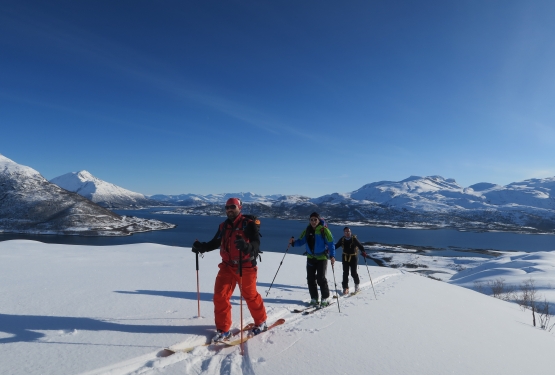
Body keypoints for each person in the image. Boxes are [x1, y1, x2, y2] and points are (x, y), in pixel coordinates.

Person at [192, 198, 267, 343]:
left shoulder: (248, 224)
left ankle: (261, 322)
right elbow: (216, 242)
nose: (229, 210)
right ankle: (223, 330)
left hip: (245, 266)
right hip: (227, 266)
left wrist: (247, 247)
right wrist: (201, 247)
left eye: (232, 207)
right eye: (227, 207)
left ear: (240, 208)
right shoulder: (223, 226)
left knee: (250, 295)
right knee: (220, 296)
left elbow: (256, 243)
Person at [289, 212, 336, 307]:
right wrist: (293, 243)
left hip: (321, 257)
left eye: (315, 219)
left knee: (320, 278)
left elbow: (331, 243)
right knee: (310, 278)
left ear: (318, 220)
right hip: (310, 257)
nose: (313, 221)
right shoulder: (307, 230)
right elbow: (301, 241)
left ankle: (325, 297)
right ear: (309, 220)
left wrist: (332, 255)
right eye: (312, 220)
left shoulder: (324, 230)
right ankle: (314, 298)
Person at [335, 226, 367, 295]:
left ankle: (357, 285)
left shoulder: (354, 239)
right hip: (345, 257)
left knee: (353, 273)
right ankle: (345, 287)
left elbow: (360, 246)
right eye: (346, 232)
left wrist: (363, 252)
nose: (347, 233)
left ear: (350, 232)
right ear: (344, 233)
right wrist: (330, 250)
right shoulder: (342, 239)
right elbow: (336, 246)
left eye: (348, 232)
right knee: (345, 273)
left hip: (353, 257)